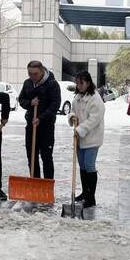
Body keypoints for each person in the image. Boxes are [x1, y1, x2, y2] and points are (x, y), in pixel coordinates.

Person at [18, 60, 61, 179]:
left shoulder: (52, 84)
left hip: (46, 127)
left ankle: (47, 185)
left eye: (35, 74)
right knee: (31, 156)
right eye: (30, 73)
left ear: (42, 71)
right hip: (31, 125)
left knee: (46, 157)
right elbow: (21, 99)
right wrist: (30, 103)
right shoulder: (27, 83)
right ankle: (35, 182)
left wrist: (40, 118)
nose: (32, 76)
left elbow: (55, 105)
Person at [68, 71, 105, 208]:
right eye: (77, 83)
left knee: (89, 166)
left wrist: (80, 129)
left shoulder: (95, 99)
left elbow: (94, 119)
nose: (78, 86)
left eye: (81, 83)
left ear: (88, 82)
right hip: (79, 138)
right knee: (82, 166)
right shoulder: (77, 97)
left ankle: (91, 198)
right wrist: (72, 117)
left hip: (92, 138)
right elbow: (72, 110)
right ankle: (85, 192)